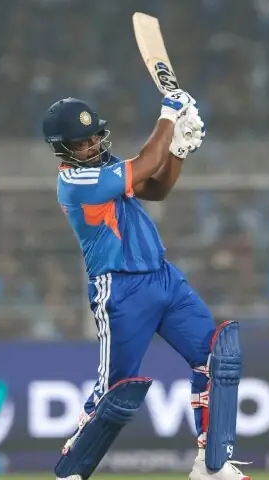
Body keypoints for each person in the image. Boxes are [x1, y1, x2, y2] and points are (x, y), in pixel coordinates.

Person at [43, 92, 248, 480]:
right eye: (82, 142)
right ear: (62, 149)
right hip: (120, 289)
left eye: (94, 136)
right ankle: (70, 472)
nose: (92, 145)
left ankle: (211, 466)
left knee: (217, 358)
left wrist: (179, 150)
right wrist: (170, 115)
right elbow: (148, 162)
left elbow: (157, 187)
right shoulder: (76, 181)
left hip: (164, 277)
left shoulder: (104, 167)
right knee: (114, 393)